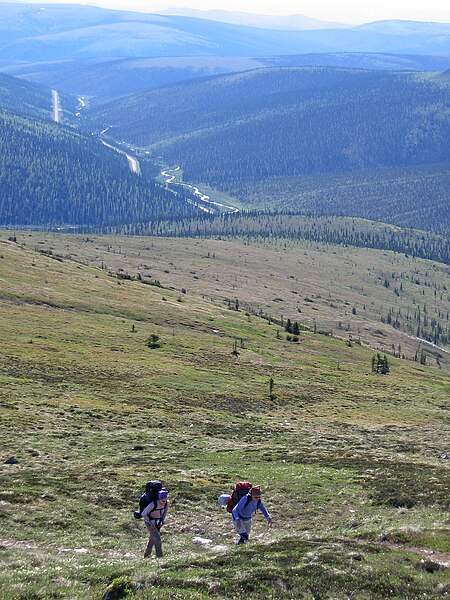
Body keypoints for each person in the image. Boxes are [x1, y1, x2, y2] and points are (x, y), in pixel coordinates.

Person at [141, 488, 169, 558]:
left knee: (152, 539)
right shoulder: (152, 504)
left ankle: (146, 555)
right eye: (163, 501)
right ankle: (160, 557)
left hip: (158, 522)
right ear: (159, 499)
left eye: (165, 500)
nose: (164, 502)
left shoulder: (166, 503)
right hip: (149, 522)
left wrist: (162, 521)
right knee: (157, 539)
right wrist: (151, 524)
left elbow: (165, 512)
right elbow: (144, 514)